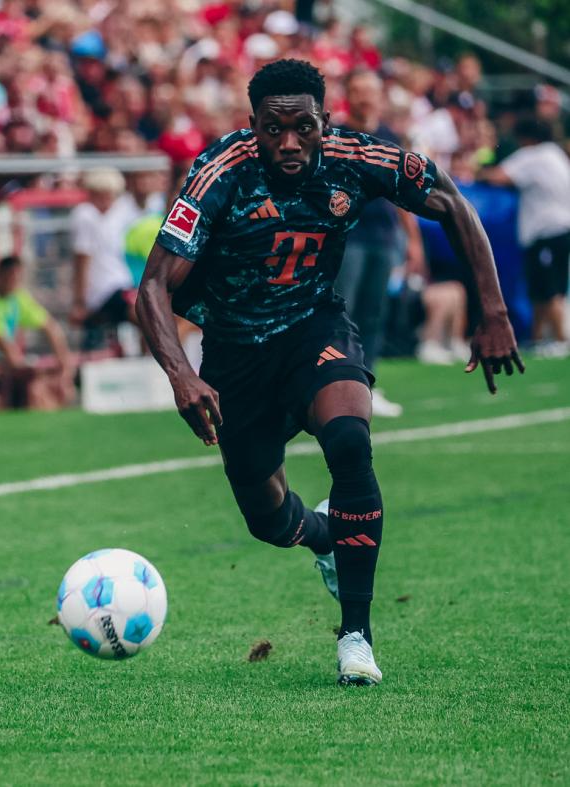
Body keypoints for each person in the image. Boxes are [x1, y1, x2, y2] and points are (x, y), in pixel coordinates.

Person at [137, 60, 523, 687]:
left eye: (303, 127)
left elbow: (452, 202)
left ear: (323, 120)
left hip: (315, 327)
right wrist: (182, 375)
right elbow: (153, 285)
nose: (288, 143)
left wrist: (493, 310)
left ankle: (356, 637)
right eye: (272, 129)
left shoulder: (360, 155)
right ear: (253, 126)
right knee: (269, 522)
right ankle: (325, 535)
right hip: (235, 355)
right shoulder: (218, 174)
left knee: (350, 442)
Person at [335, 68, 427, 417]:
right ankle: (336, 384)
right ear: (348, 94)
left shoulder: (390, 137)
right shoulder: (337, 135)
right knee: (344, 313)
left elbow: (405, 193)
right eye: (358, 90)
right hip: (349, 236)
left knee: (373, 313)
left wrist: (413, 239)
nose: (365, 97)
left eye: (370, 91)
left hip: (383, 237)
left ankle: (366, 385)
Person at [481, 117, 570, 357]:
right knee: (543, 288)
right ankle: (538, 338)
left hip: (545, 230)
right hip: (561, 229)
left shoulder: (533, 156)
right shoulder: (555, 153)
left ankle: (561, 340)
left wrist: (474, 171)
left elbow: (499, 176)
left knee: (549, 288)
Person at [0, 255, 75, 409]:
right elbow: (3, 345)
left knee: (61, 389)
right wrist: (30, 371)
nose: (13, 281)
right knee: (37, 391)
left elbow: (51, 328)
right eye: (9, 276)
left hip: (12, 366)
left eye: (16, 277)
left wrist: (65, 368)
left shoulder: (18, 299)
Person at [69, 168, 138, 345]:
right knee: (143, 315)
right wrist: (80, 302)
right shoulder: (85, 215)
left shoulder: (114, 217)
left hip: (119, 283)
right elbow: (82, 260)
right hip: (102, 290)